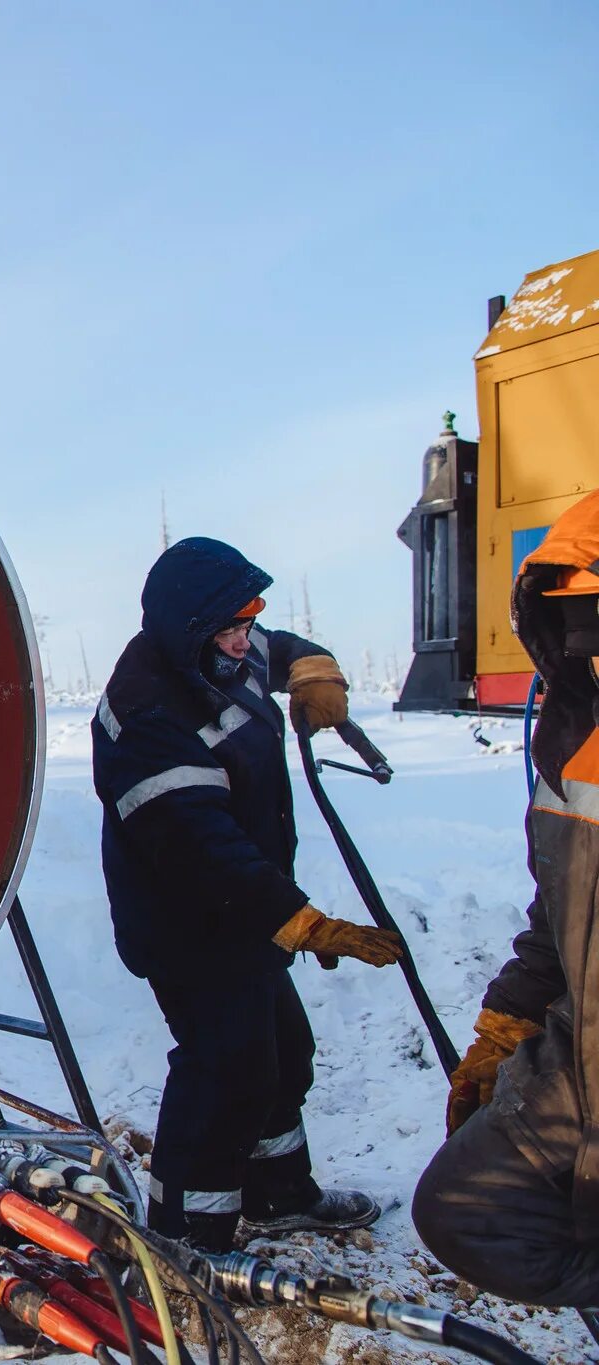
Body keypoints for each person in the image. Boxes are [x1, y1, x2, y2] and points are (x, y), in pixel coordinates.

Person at [91, 536, 403, 1252]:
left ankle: (278, 1193)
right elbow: (204, 852)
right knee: (226, 1069)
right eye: (232, 629)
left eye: (247, 622)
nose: (246, 641)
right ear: (191, 630)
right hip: (188, 925)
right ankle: (184, 1239)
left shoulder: (223, 645)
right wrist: (302, 923)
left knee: (284, 1053)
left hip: (245, 915)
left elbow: (278, 647)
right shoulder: (147, 713)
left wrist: (315, 672)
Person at [413, 493, 599, 1307]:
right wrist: (507, 1022)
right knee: (462, 1210)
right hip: (580, 1065)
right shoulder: (574, 743)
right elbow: (559, 917)